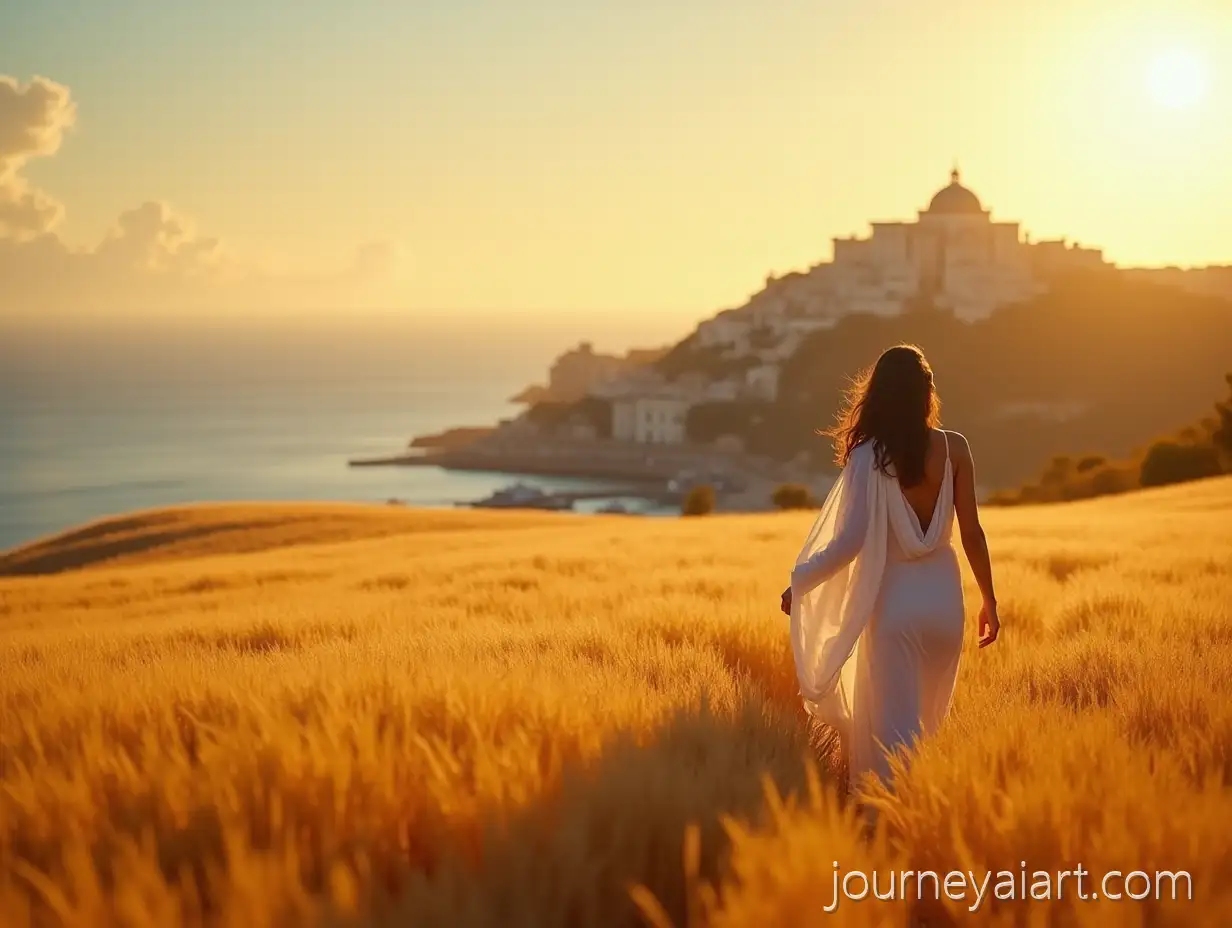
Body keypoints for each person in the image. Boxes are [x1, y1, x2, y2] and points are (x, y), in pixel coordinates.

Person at [779, 344, 1000, 793]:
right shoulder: (955, 448)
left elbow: (848, 542)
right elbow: (973, 533)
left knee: (893, 734)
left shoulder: (868, 457)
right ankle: (923, 818)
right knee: (927, 726)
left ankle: (888, 825)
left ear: (877, 394)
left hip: (895, 610)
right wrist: (990, 600)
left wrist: (799, 581)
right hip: (945, 606)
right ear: (925, 392)